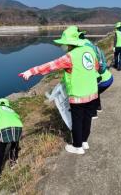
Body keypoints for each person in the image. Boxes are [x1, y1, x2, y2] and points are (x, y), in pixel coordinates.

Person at [19, 26, 99, 155]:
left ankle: (77, 146)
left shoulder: (70, 56)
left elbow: (51, 65)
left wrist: (31, 71)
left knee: (77, 120)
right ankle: (84, 141)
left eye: (65, 43)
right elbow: (96, 67)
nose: (64, 46)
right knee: (87, 117)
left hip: (78, 94)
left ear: (69, 43)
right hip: (92, 92)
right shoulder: (89, 50)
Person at [0, 98, 23, 182]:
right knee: (14, 145)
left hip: (2, 130)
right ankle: (13, 162)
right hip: (17, 128)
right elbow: (18, 118)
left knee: (0, 151)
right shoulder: (11, 110)